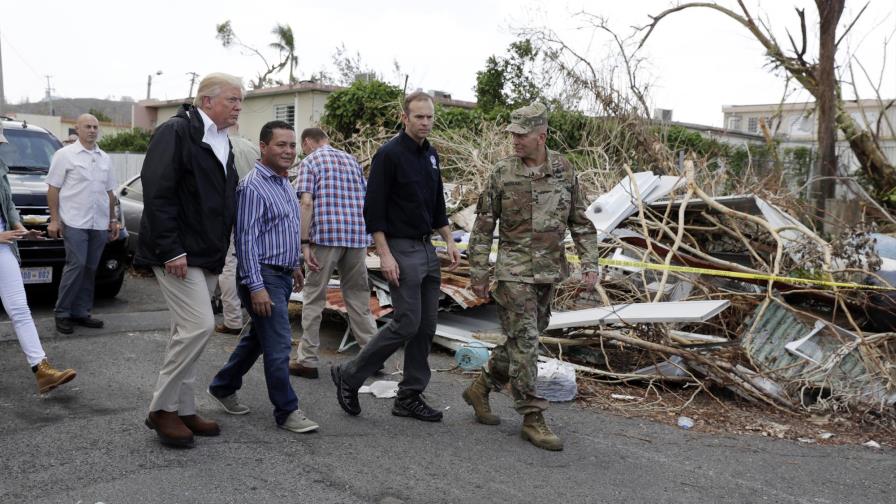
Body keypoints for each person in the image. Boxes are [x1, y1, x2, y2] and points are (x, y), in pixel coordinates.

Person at [464, 103, 600, 451]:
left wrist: (590, 264)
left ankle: (480, 387)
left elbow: (580, 223)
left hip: (549, 272)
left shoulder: (564, 170)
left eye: (521, 135)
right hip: (513, 273)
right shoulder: (502, 172)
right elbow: (482, 227)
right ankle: (532, 417)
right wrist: (478, 272)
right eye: (512, 134)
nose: (515, 140)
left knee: (521, 342)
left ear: (542, 136)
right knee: (527, 343)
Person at [331, 91, 460, 422]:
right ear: (405, 118)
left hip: (427, 248)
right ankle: (351, 374)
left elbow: (436, 206)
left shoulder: (430, 154)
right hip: (400, 247)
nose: (426, 122)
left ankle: (409, 396)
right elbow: (373, 211)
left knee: (426, 327)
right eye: (419, 117)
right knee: (407, 321)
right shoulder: (388, 155)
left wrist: (449, 240)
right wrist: (385, 255)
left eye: (430, 117)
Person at [137, 73, 243, 448]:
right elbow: (159, 191)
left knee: (186, 334)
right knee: (199, 326)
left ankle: (183, 408)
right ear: (206, 100)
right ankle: (160, 408)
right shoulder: (177, 131)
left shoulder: (221, 139)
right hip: (178, 252)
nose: (238, 106)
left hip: (208, 252)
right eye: (232, 99)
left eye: (240, 100)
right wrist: (171, 249)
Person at [207, 121, 318, 434]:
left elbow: (283, 231)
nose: (288, 151)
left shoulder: (284, 183)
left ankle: (223, 385)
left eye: (292, 145)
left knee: (259, 338)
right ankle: (287, 410)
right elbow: (246, 239)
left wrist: (295, 264)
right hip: (262, 276)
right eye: (281, 145)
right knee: (280, 344)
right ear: (264, 147)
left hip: (281, 275)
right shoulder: (253, 186)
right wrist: (256, 288)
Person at [290, 127, 376, 379]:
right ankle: (372, 355)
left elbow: (306, 202)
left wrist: (304, 243)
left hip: (325, 237)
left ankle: (307, 360)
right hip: (356, 237)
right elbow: (366, 198)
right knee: (359, 298)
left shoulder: (311, 161)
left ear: (307, 142)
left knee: (314, 298)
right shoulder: (351, 161)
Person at [0, 123, 77, 393]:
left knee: (20, 309)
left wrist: (22, 232)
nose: (2, 148)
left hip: (4, 247)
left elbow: (7, 206)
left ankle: (42, 369)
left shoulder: (0, 169)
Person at [46, 114, 120, 334]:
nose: (92, 130)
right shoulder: (64, 155)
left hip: (98, 222)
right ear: (76, 129)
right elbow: (53, 188)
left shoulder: (104, 158)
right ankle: (62, 313)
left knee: (89, 268)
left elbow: (110, 192)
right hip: (74, 221)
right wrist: (55, 219)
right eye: (87, 126)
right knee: (76, 265)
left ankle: (81, 313)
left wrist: (113, 219)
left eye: (95, 127)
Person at [214, 133, 260, 335]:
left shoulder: (221, 146)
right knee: (252, 260)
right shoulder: (251, 147)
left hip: (232, 209)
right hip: (256, 207)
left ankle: (233, 319)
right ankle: (255, 313)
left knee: (229, 265)